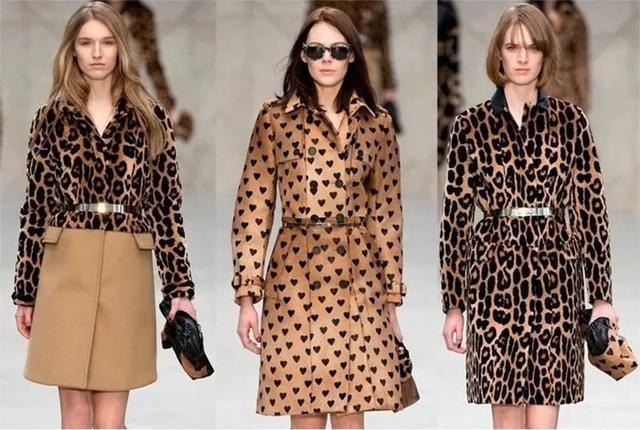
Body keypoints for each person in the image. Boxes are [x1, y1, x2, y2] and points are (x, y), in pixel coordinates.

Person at [12, 2, 197, 427]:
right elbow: (36, 206)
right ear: (72, 50)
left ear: (121, 48)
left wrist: (180, 290)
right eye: (86, 43)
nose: (97, 53)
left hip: (125, 264)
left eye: (107, 42)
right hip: (65, 265)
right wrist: (26, 291)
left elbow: (166, 207)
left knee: (110, 421)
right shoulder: (51, 118)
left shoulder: (149, 118)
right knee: (75, 415)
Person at [231, 6, 416, 429]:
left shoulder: (377, 124)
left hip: (360, 278)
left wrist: (391, 299)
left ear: (353, 56)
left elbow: (387, 216)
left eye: (338, 50)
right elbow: (253, 209)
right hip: (294, 278)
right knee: (305, 413)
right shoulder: (274, 120)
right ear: (302, 55)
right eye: (316, 50)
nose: (327, 59)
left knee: (352, 413)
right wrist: (246, 297)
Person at [439, 3, 617, 429]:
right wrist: (454, 304)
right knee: (505, 414)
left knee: (544, 413)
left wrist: (601, 297)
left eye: (532, 48)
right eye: (512, 47)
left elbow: (592, 210)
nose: (522, 57)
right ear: (498, 53)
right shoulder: (471, 126)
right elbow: (455, 220)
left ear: (545, 54)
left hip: (556, 274)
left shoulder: (571, 123)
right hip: (493, 278)